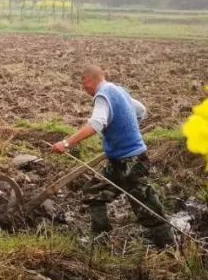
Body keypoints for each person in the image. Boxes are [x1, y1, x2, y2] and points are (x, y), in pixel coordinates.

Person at [50, 65, 173, 247]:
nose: (85, 91)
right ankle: (101, 239)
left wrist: (66, 143)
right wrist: (124, 130)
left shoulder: (103, 95)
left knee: (147, 207)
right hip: (118, 162)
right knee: (94, 192)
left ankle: (170, 248)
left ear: (89, 80)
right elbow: (141, 111)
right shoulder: (119, 90)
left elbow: (96, 123)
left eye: (84, 85)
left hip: (131, 162)